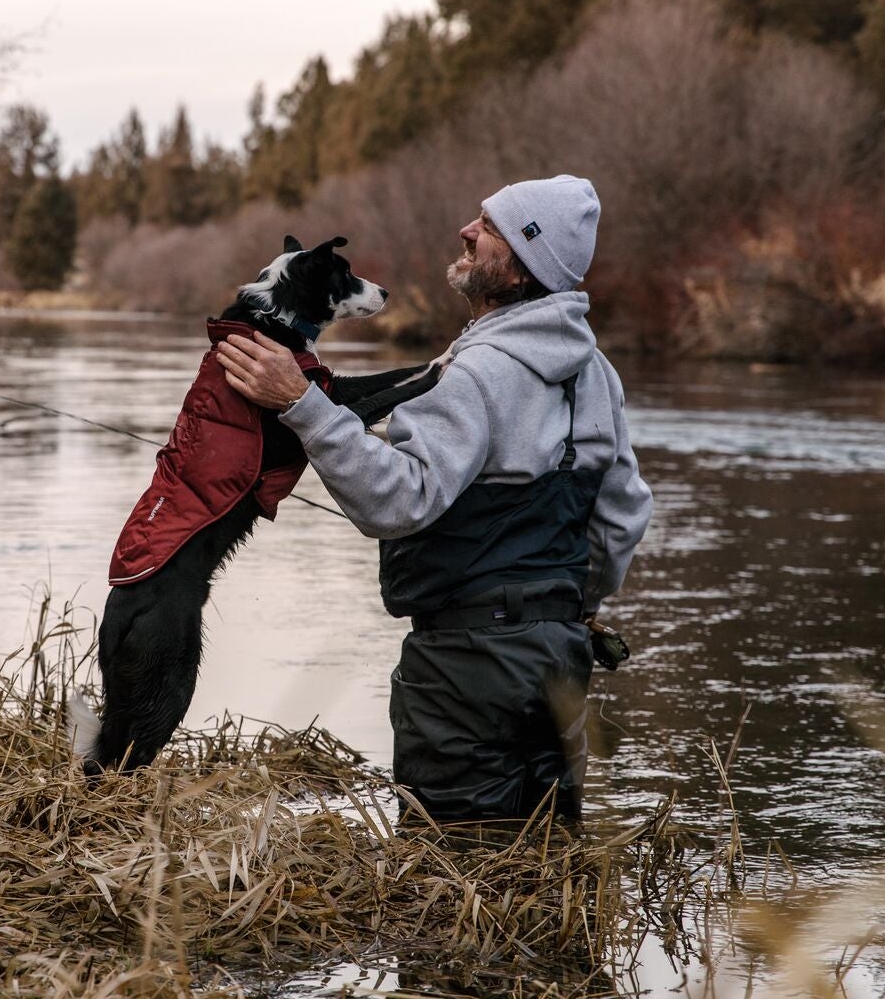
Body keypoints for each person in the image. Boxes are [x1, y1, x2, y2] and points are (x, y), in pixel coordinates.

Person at [215, 175, 652, 828]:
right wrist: (566, 609)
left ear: (522, 267)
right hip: (560, 657)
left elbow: (399, 500)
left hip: (465, 673)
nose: (466, 231)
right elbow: (622, 517)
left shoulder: (476, 372)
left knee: (448, 881)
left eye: (489, 227)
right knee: (546, 869)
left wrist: (304, 408)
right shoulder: (598, 375)